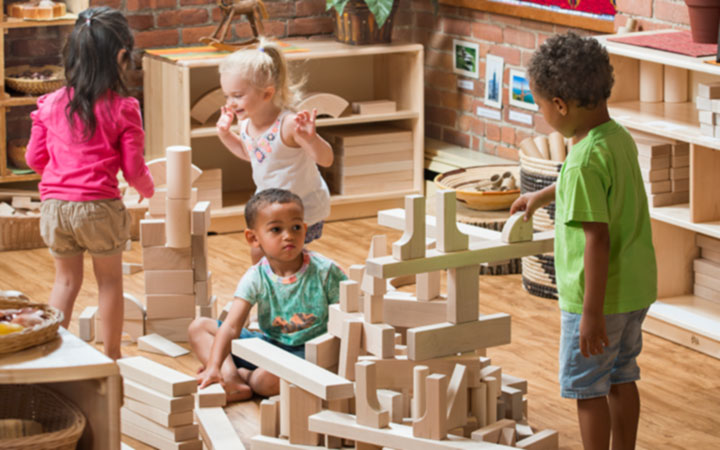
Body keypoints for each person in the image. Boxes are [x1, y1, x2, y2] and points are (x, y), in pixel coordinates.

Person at [510, 32, 657, 450]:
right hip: (635, 290)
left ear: (560, 105)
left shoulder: (580, 162)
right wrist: (542, 194)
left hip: (598, 302)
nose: (542, 115)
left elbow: (597, 239)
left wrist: (590, 314)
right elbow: (594, 184)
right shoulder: (615, 138)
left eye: (540, 106)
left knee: (587, 388)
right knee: (623, 375)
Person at [25, 7, 154, 360]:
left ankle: (54, 356)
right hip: (98, 209)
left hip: (53, 208)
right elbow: (133, 167)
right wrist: (149, 190)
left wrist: (62, 179)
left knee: (65, 282)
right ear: (120, 56)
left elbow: (34, 160)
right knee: (109, 282)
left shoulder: (49, 103)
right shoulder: (124, 108)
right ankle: (111, 356)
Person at [189, 188, 347, 401]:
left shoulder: (326, 271)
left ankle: (247, 378)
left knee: (263, 381)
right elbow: (232, 326)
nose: (288, 235)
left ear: (305, 229)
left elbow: (348, 317)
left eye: (296, 227)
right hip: (269, 345)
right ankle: (230, 377)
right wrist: (214, 366)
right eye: (276, 230)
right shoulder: (256, 276)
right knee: (199, 327)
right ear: (253, 238)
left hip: (309, 353)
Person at [215, 40, 333, 264]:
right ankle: (267, 289)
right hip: (271, 209)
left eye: (238, 96)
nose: (230, 103)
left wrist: (311, 139)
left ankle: (303, 285)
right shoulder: (245, 125)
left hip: (303, 208)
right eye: (226, 96)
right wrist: (226, 135)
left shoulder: (287, 124)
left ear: (267, 94)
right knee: (259, 252)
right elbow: (253, 155)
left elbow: (326, 159)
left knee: (286, 258)